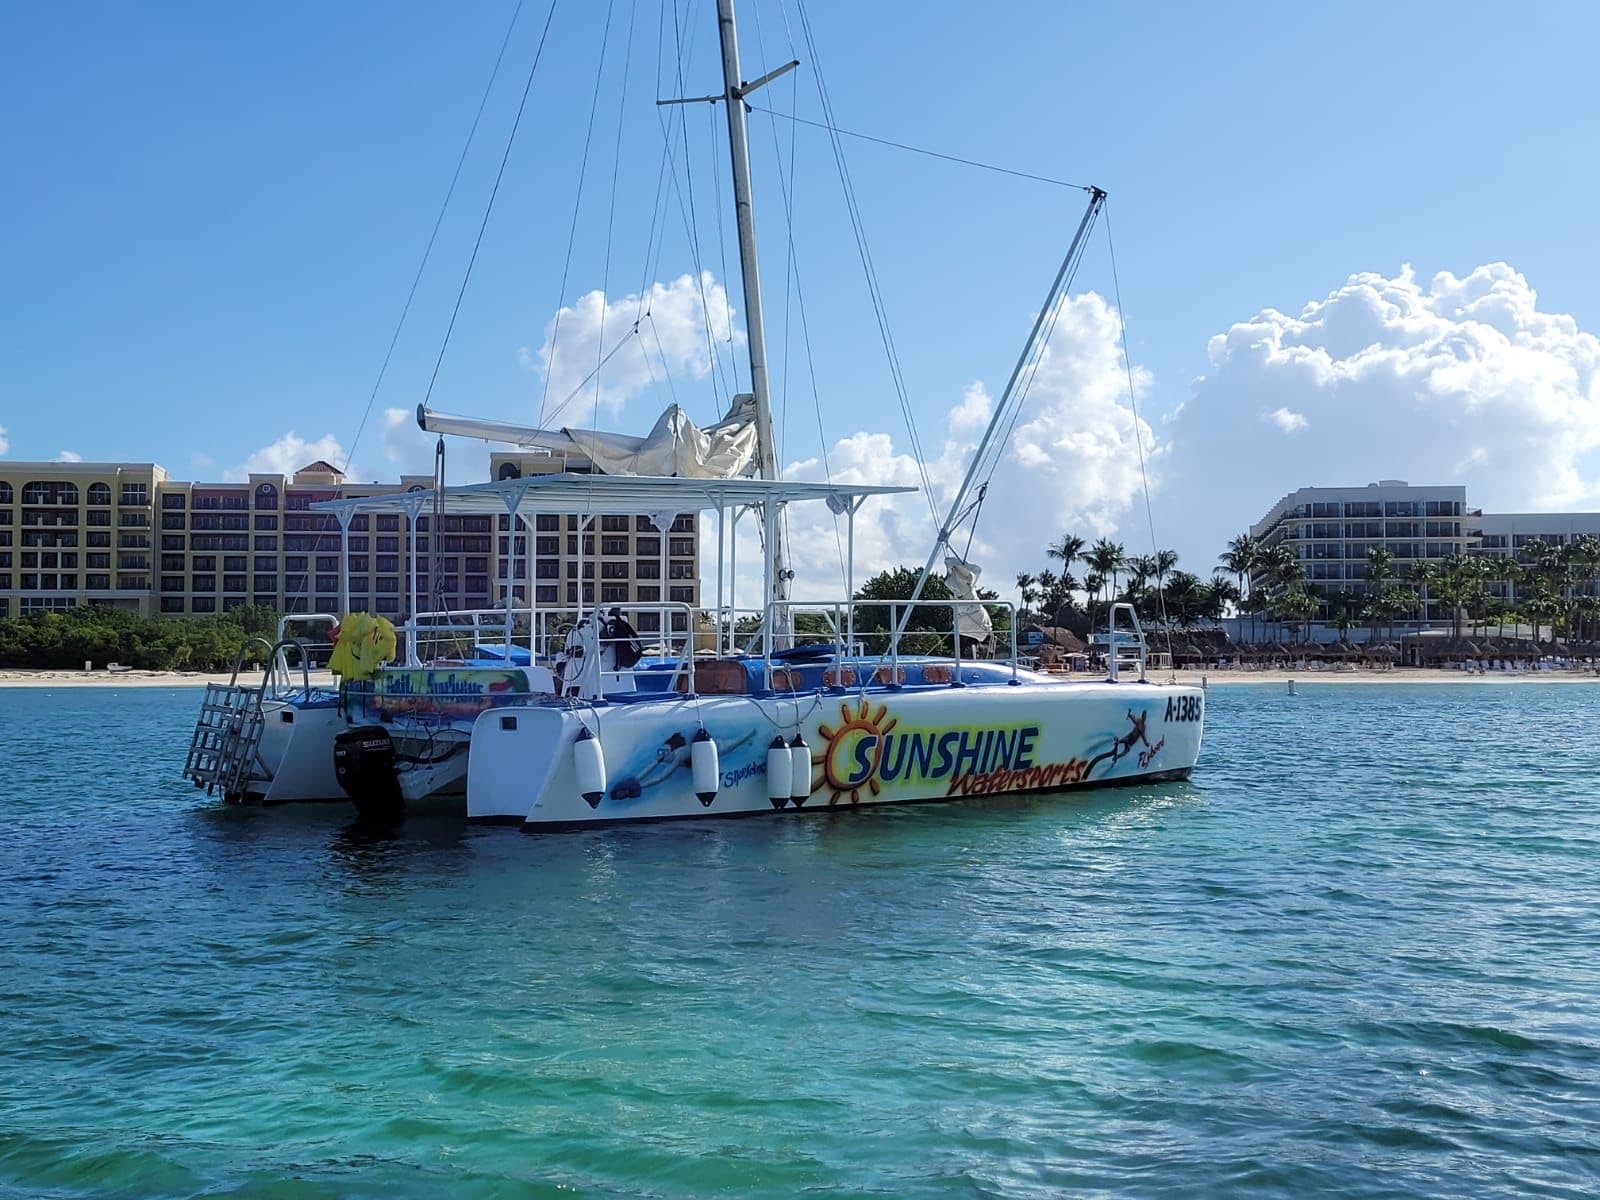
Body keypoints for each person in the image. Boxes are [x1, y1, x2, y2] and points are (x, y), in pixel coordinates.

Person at [601, 606, 644, 671]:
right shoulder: (623, 624)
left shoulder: (620, 627)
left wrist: (618, 663)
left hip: (630, 658)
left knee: (621, 637)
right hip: (636, 654)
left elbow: (619, 645)